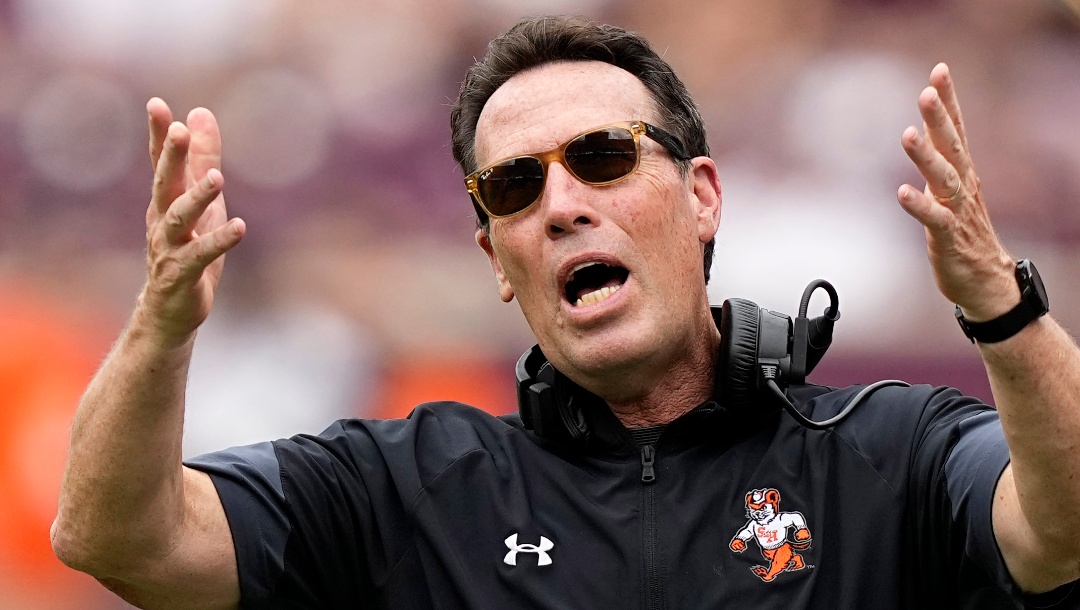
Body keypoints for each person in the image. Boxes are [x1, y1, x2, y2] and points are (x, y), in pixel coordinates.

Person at [51, 15, 1080, 609]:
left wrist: (1001, 308)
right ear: (494, 256)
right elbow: (114, 537)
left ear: (703, 195)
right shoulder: (402, 488)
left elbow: (1064, 526)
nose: (560, 204)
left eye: (601, 156)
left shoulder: (888, 454)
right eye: (512, 189)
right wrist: (162, 328)